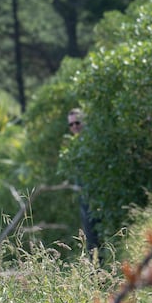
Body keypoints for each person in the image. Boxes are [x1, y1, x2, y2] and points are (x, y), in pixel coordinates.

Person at [67, 108, 101, 260]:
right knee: (91, 244)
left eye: (77, 122)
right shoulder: (74, 146)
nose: (74, 126)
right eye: (71, 124)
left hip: (99, 199)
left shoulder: (93, 142)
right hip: (84, 203)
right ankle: (98, 279)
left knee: (105, 241)